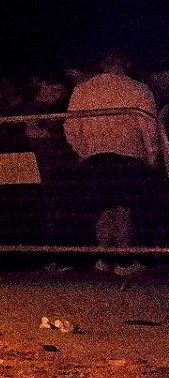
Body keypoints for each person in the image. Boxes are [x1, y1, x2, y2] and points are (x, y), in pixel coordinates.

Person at [64, 52, 162, 249]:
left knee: (103, 208)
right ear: (126, 63)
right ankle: (123, 260)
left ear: (102, 64)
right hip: (129, 155)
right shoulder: (139, 89)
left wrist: (83, 152)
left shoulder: (82, 90)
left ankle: (103, 257)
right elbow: (148, 127)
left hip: (94, 155)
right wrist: (152, 155)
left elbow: (71, 127)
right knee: (124, 209)